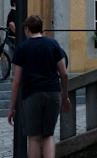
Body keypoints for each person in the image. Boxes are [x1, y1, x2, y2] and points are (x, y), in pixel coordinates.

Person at [8, 14, 71, 158]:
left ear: (27, 29)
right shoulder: (53, 44)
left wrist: (12, 108)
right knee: (48, 135)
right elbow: (64, 74)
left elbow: (17, 80)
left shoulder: (22, 48)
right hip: (53, 93)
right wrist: (65, 96)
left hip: (32, 95)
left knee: (34, 138)